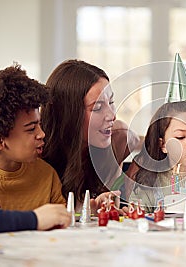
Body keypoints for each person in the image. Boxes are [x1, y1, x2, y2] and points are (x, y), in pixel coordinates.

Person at [0, 60, 71, 235]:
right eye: (31, 129)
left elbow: (63, 222)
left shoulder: (46, 175)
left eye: (40, 125)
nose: (42, 134)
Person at [41, 59, 141, 212]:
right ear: (68, 114)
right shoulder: (39, 156)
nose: (112, 115)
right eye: (97, 107)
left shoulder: (118, 139)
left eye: (111, 102)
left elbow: (146, 141)